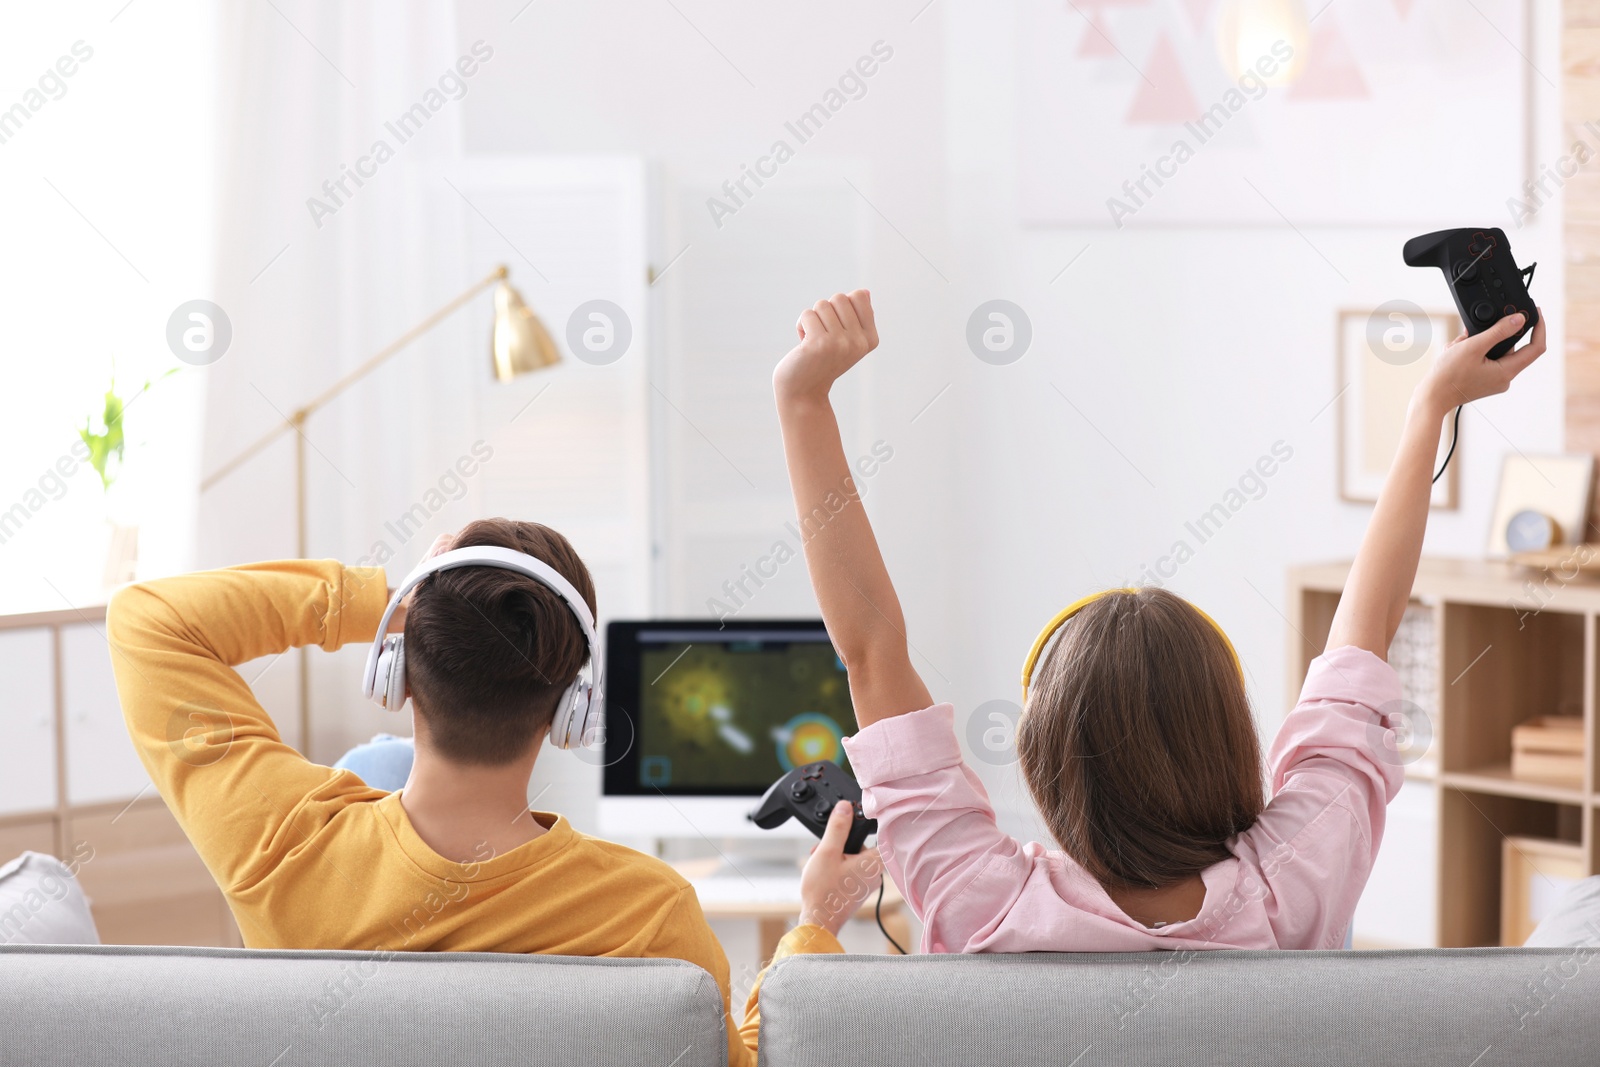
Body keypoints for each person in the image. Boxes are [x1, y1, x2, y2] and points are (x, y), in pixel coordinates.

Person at [772, 289, 1546, 952]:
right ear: (1229, 734)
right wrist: (1428, 410)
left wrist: (803, 402)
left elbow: (870, 649)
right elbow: (1367, 630)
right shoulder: (1295, 884)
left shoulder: (983, 903)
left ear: (1045, 758)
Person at [107, 517, 879, 1065]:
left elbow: (147, 620)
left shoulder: (281, 847)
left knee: (370, 762)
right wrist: (815, 922)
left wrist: (391, 600)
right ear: (570, 712)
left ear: (398, 673)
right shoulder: (647, 911)